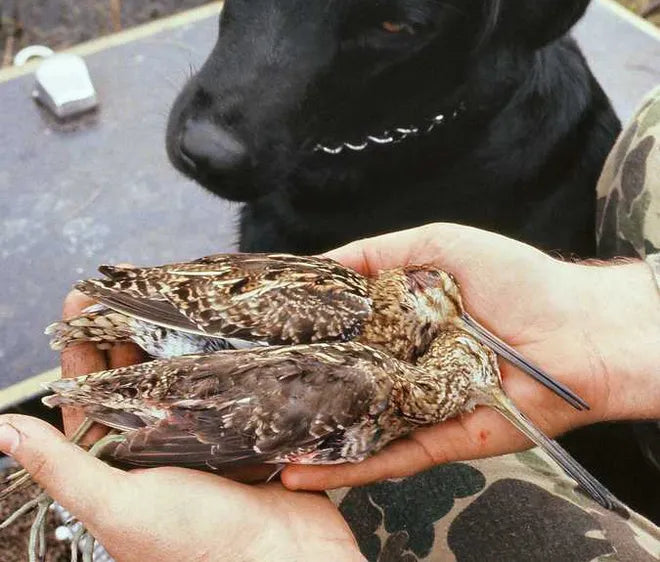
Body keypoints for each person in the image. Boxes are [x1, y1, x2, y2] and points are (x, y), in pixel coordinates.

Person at [1, 88, 660, 561]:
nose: (453, 318)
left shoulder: (401, 355)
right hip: (177, 335)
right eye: (442, 303)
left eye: (453, 319)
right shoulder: (347, 307)